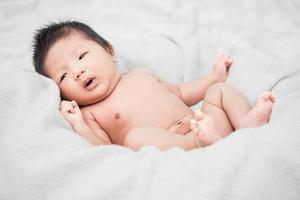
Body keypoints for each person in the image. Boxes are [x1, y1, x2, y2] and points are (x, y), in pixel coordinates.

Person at [32, 21, 275, 151]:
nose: (78, 71)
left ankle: (245, 122)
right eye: (63, 76)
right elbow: (101, 147)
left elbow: (181, 93)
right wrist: (79, 125)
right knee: (134, 138)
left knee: (218, 93)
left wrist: (213, 78)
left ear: (110, 51)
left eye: (82, 56)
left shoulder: (140, 73)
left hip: (208, 126)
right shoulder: (91, 113)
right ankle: (201, 144)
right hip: (177, 146)